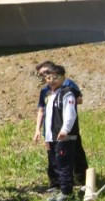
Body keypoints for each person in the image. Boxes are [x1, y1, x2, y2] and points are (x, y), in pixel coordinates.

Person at [34, 61, 87, 192]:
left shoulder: (67, 86)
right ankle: (57, 184)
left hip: (66, 129)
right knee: (55, 158)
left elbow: (77, 101)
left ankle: (80, 181)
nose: (47, 78)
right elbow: (42, 110)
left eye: (46, 73)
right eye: (43, 75)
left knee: (73, 154)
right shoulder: (46, 91)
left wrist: (65, 128)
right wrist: (38, 130)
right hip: (50, 130)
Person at [40, 64, 81, 201]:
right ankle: (62, 190)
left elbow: (70, 113)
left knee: (65, 164)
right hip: (53, 137)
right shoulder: (50, 95)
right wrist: (47, 136)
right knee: (57, 164)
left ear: (63, 78)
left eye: (55, 78)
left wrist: (65, 130)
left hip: (64, 136)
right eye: (48, 78)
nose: (51, 81)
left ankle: (67, 193)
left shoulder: (67, 92)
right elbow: (48, 117)